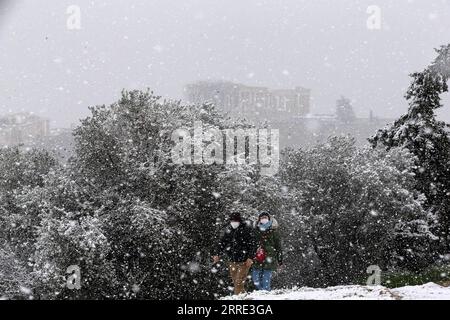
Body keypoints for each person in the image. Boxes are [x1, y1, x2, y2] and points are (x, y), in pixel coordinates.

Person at [212, 212, 257, 295]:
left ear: (239, 221)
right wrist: (217, 254)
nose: (233, 222)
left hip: (244, 261)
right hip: (232, 260)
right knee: (236, 282)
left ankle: (237, 298)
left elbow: (253, 245)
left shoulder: (246, 230)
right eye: (232, 220)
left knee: (239, 282)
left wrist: (250, 257)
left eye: (235, 220)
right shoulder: (229, 230)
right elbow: (222, 243)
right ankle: (243, 296)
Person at [251, 211, 283, 291]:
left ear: (269, 219)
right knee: (255, 279)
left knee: (266, 279)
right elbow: (251, 244)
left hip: (269, 257)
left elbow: (278, 247)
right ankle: (263, 292)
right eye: (262, 218)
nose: (263, 219)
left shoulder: (274, 231)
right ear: (259, 220)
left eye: (265, 217)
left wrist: (280, 261)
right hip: (257, 257)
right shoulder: (255, 231)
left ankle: (265, 293)